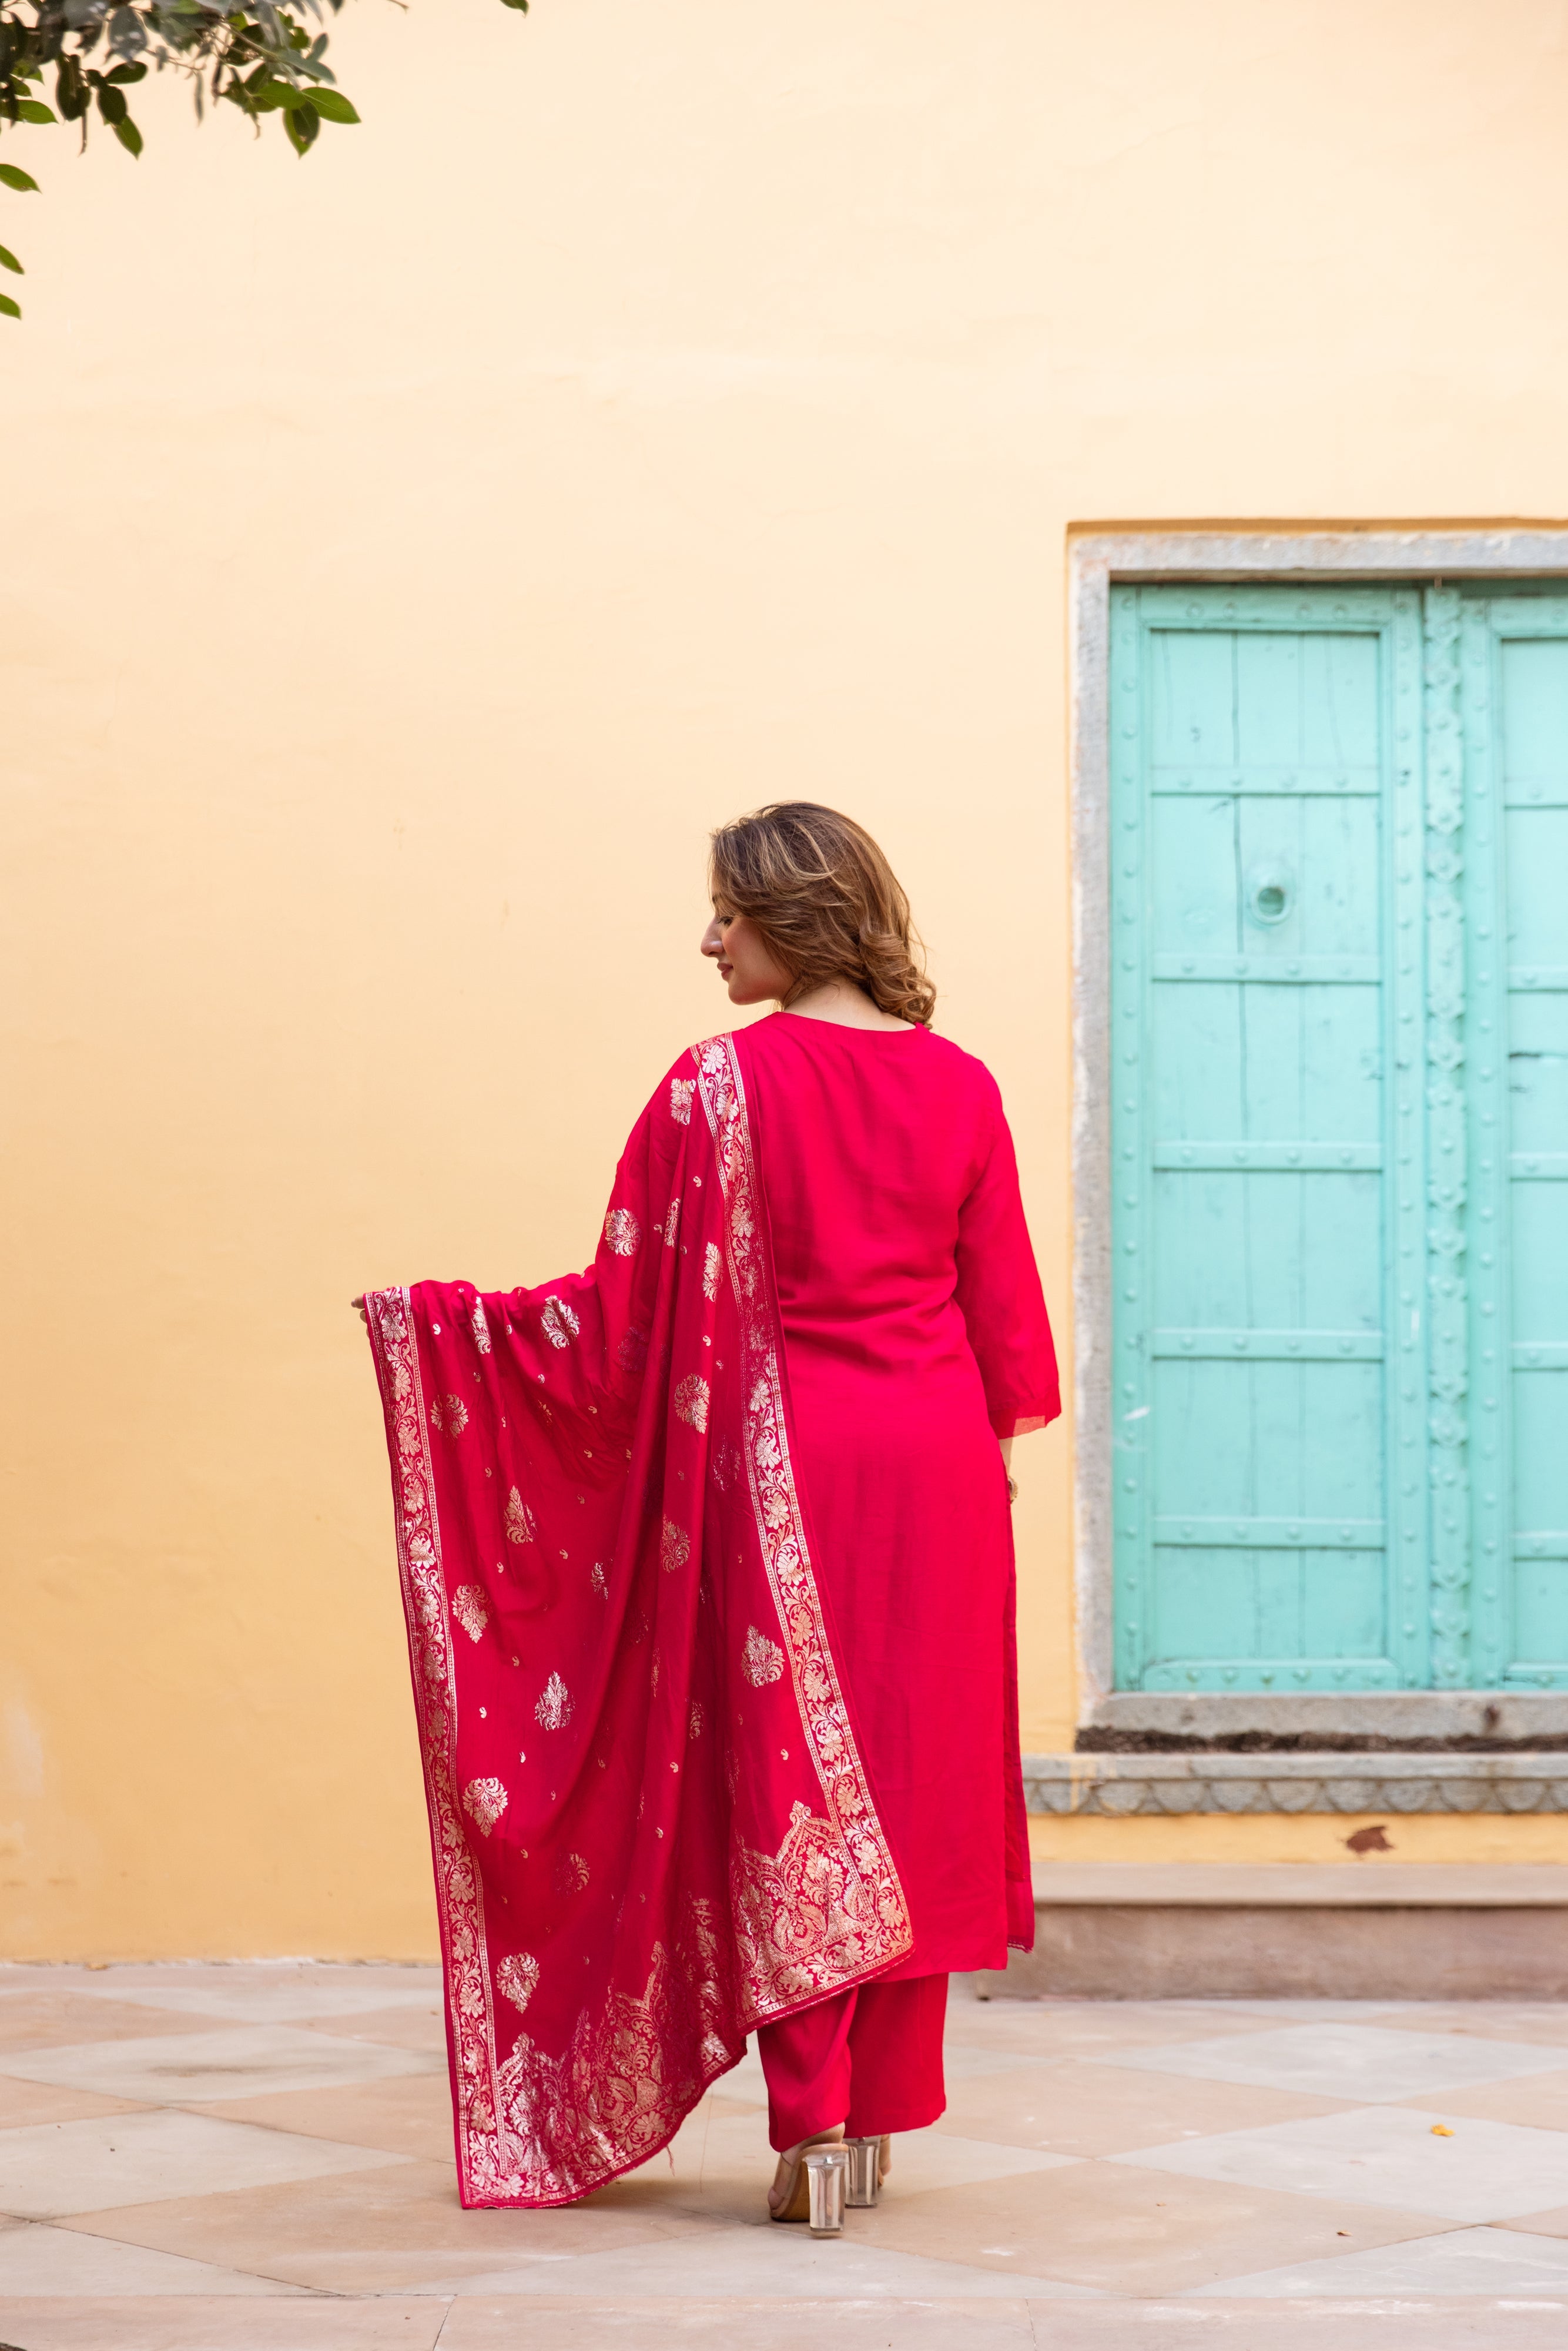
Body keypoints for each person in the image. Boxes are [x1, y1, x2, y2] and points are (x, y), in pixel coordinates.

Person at [354, 803, 1058, 2217]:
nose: (707, 939)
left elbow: (624, 1318)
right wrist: (975, 1469)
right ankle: (874, 2121)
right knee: (906, 1781)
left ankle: (810, 2128)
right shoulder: (964, 1085)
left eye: (726, 915)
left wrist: (451, 1332)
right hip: (937, 1473)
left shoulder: (714, 1086)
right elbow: (1008, 1341)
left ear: (788, 919)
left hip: (782, 1471)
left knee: (789, 1779)